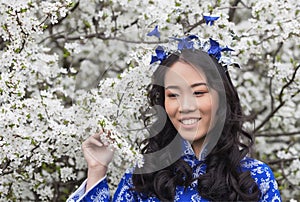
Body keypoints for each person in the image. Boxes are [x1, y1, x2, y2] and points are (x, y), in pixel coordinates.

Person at [67, 38, 282, 201]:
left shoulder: (254, 177)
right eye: (173, 95)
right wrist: (97, 170)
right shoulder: (142, 177)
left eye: (198, 93)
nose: (185, 107)